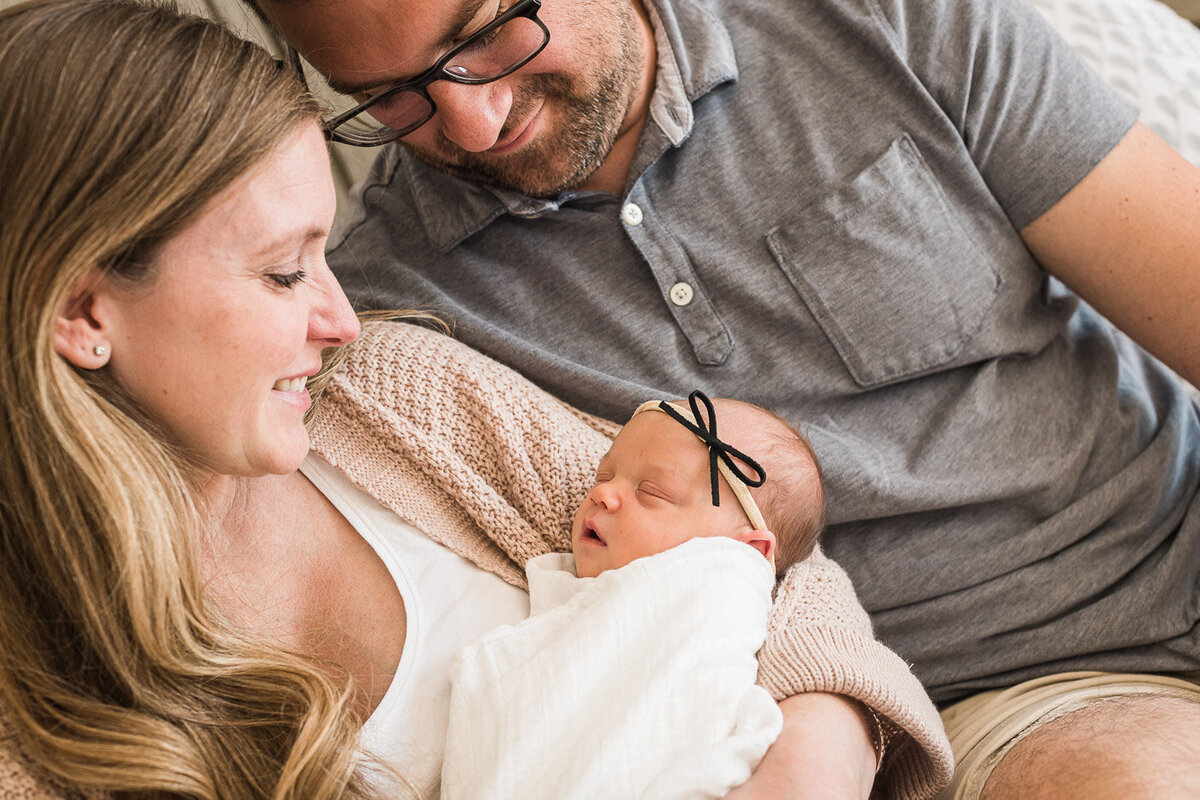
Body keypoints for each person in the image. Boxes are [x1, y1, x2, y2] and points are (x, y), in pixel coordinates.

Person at [0, 1, 951, 799]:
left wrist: (805, 759)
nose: (344, 320)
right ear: (85, 311)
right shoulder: (39, 720)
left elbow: (759, 550)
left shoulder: (395, 396)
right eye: (285, 273)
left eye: (326, 254)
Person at [246, 0, 1200, 793]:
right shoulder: (385, 314)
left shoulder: (882, 20)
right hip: (1045, 695)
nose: (473, 123)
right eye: (393, 99)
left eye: (491, 30)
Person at [441, 391, 824, 799]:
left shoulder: (721, 595)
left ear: (746, 552)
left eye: (652, 492)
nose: (602, 495)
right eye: (603, 477)